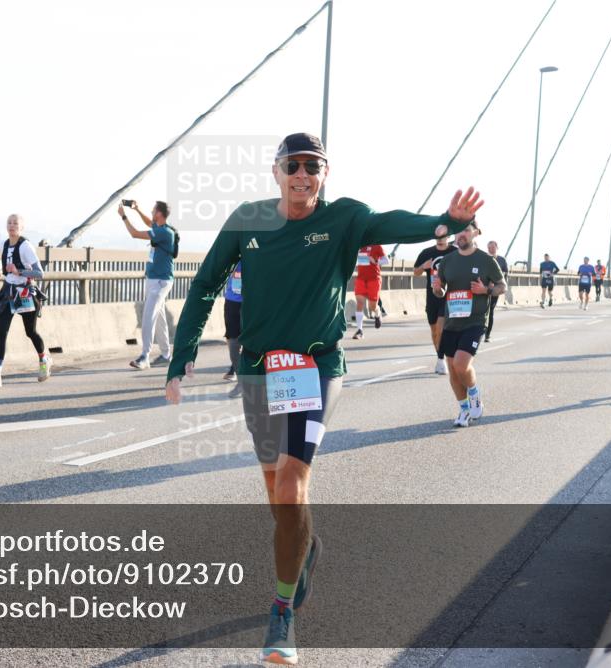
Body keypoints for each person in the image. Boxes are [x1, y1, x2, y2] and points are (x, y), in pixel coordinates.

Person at [164, 132, 483, 665]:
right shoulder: (249, 220)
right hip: (260, 371)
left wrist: (443, 223)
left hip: (316, 368)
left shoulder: (344, 219)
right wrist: (182, 355)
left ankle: (281, 613)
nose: (302, 174)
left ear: (325, 173)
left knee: (291, 487)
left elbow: (394, 223)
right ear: (277, 171)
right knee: (276, 490)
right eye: (293, 165)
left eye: (313, 166)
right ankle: (305, 547)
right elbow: (203, 285)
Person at [432, 221, 506, 427]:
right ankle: (464, 410)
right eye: (458, 231)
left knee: (461, 365)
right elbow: (440, 292)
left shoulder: (486, 260)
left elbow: (502, 286)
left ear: (475, 233)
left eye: (466, 230)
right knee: (453, 371)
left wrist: (486, 291)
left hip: (474, 322)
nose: (461, 235)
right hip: (451, 322)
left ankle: (474, 393)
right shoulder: (447, 261)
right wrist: (438, 289)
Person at [0, 214, 52, 387]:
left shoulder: (25, 246)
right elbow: (9, 273)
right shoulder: (3, 245)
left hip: (25, 294)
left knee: (30, 332)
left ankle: (44, 359)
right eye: (9, 223)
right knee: (2, 332)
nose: (12, 225)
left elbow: (39, 273)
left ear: (22, 228)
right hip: (8, 293)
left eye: (16, 223)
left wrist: (18, 272)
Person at [120, 200, 176, 369]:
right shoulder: (159, 228)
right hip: (153, 278)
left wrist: (123, 216)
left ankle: (144, 356)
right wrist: (136, 209)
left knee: (148, 314)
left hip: (161, 280)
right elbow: (148, 222)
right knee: (159, 319)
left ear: (159, 213)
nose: (151, 212)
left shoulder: (165, 233)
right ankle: (166, 355)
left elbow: (135, 233)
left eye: (153, 210)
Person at [414, 233, 457, 374]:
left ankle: (441, 359)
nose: (440, 238)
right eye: (438, 236)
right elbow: (416, 272)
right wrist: (423, 266)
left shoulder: (454, 252)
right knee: (434, 331)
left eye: (443, 236)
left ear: (448, 237)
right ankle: (440, 358)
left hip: (448, 296)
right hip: (432, 296)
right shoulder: (427, 252)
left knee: (440, 328)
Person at [351, 243, 386, 338]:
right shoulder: (360, 246)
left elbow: (386, 260)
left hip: (374, 279)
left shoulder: (377, 246)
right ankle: (359, 330)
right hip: (361, 279)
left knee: (372, 306)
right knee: (360, 303)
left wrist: (375, 260)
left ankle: (378, 313)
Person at [223, 262, 243, 398]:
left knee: (252, 345)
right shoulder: (232, 254)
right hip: (232, 301)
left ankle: (250, 382)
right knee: (233, 344)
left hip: (252, 303)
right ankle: (241, 380)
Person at [484, 240, 508, 342]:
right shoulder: (484, 258)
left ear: (497, 248)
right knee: (482, 310)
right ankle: (480, 331)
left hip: (496, 289)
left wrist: (502, 286)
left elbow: (505, 274)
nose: (491, 249)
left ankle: (487, 334)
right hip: (484, 289)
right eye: (489, 247)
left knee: (491, 311)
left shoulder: (502, 260)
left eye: (493, 247)